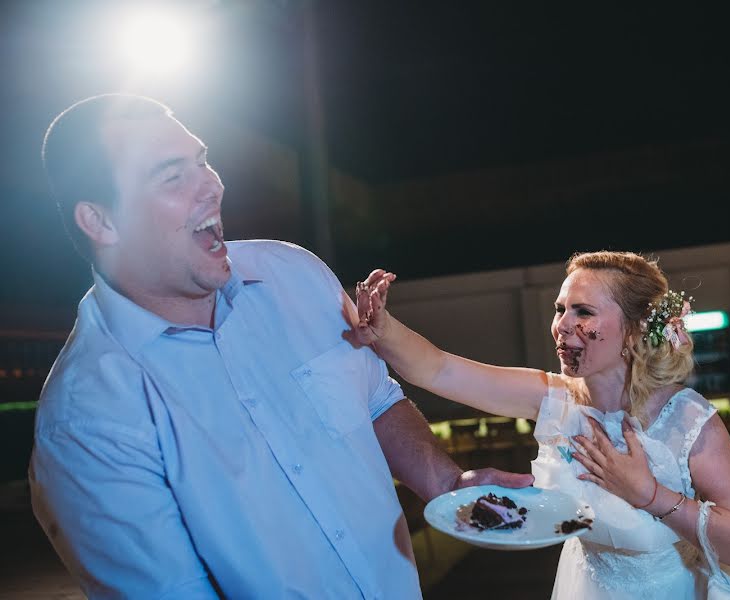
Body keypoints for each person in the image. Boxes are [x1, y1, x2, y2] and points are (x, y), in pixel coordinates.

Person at [29, 93, 532, 599]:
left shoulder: (296, 274)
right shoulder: (86, 417)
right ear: (100, 222)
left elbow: (377, 403)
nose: (212, 185)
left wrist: (447, 487)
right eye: (171, 176)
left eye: (202, 161)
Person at [348, 254, 730, 599]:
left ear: (633, 330)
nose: (562, 325)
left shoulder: (687, 420)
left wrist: (650, 495)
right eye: (560, 309)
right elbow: (439, 370)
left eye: (583, 311)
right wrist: (384, 329)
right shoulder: (553, 398)